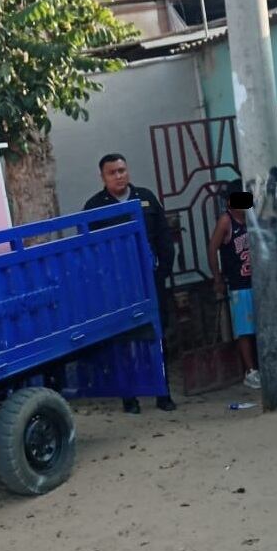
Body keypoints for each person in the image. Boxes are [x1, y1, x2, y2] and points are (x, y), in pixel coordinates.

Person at [83, 153, 177, 413]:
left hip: (150, 283)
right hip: (117, 290)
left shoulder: (145, 198)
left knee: (156, 338)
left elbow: (164, 239)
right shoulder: (94, 207)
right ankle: (130, 398)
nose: (119, 176)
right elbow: (89, 251)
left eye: (122, 170)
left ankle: (163, 394)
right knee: (123, 343)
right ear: (102, 177)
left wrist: (162, 273)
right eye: (112, 172)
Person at [208, 179, 260, 389]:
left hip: (258, 280)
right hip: (239, 283)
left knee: (259, 324)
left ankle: (261, 364)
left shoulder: (254, 216)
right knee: (245, 329)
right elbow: (212, 249)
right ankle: (250, 370)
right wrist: (218, 278)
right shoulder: (226, 222)